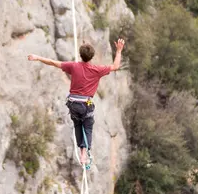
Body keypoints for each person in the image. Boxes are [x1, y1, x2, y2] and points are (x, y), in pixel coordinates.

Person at [27, 38, 125, 166]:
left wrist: (37, 57)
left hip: (73, 104)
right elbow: (115, 66)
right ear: (92, 57)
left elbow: (52, 62)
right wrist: (118, 50)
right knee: (88, 127)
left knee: (78, 125)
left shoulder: (73, 66)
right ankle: (84, 153)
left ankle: (81, 151)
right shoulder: (97, 69)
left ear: (80, 55)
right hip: (86, 105)